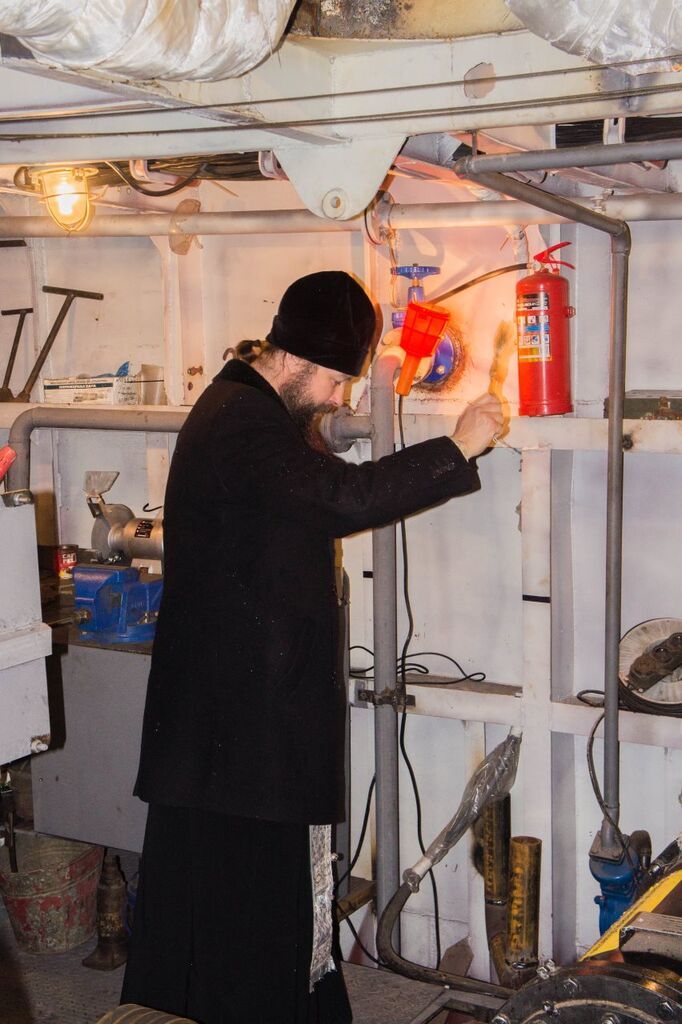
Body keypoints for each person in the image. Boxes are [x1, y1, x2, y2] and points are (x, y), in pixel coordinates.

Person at [121, 270, 503, 1024]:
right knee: (246, 910)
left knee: (226, 902)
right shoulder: (241, 423)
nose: (340, 397)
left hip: (231, 718)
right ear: (294, 358)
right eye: (334, 380)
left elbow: (314, 487)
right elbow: (346, 498)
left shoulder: (248, 409)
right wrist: (459, 446)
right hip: (238, 728)